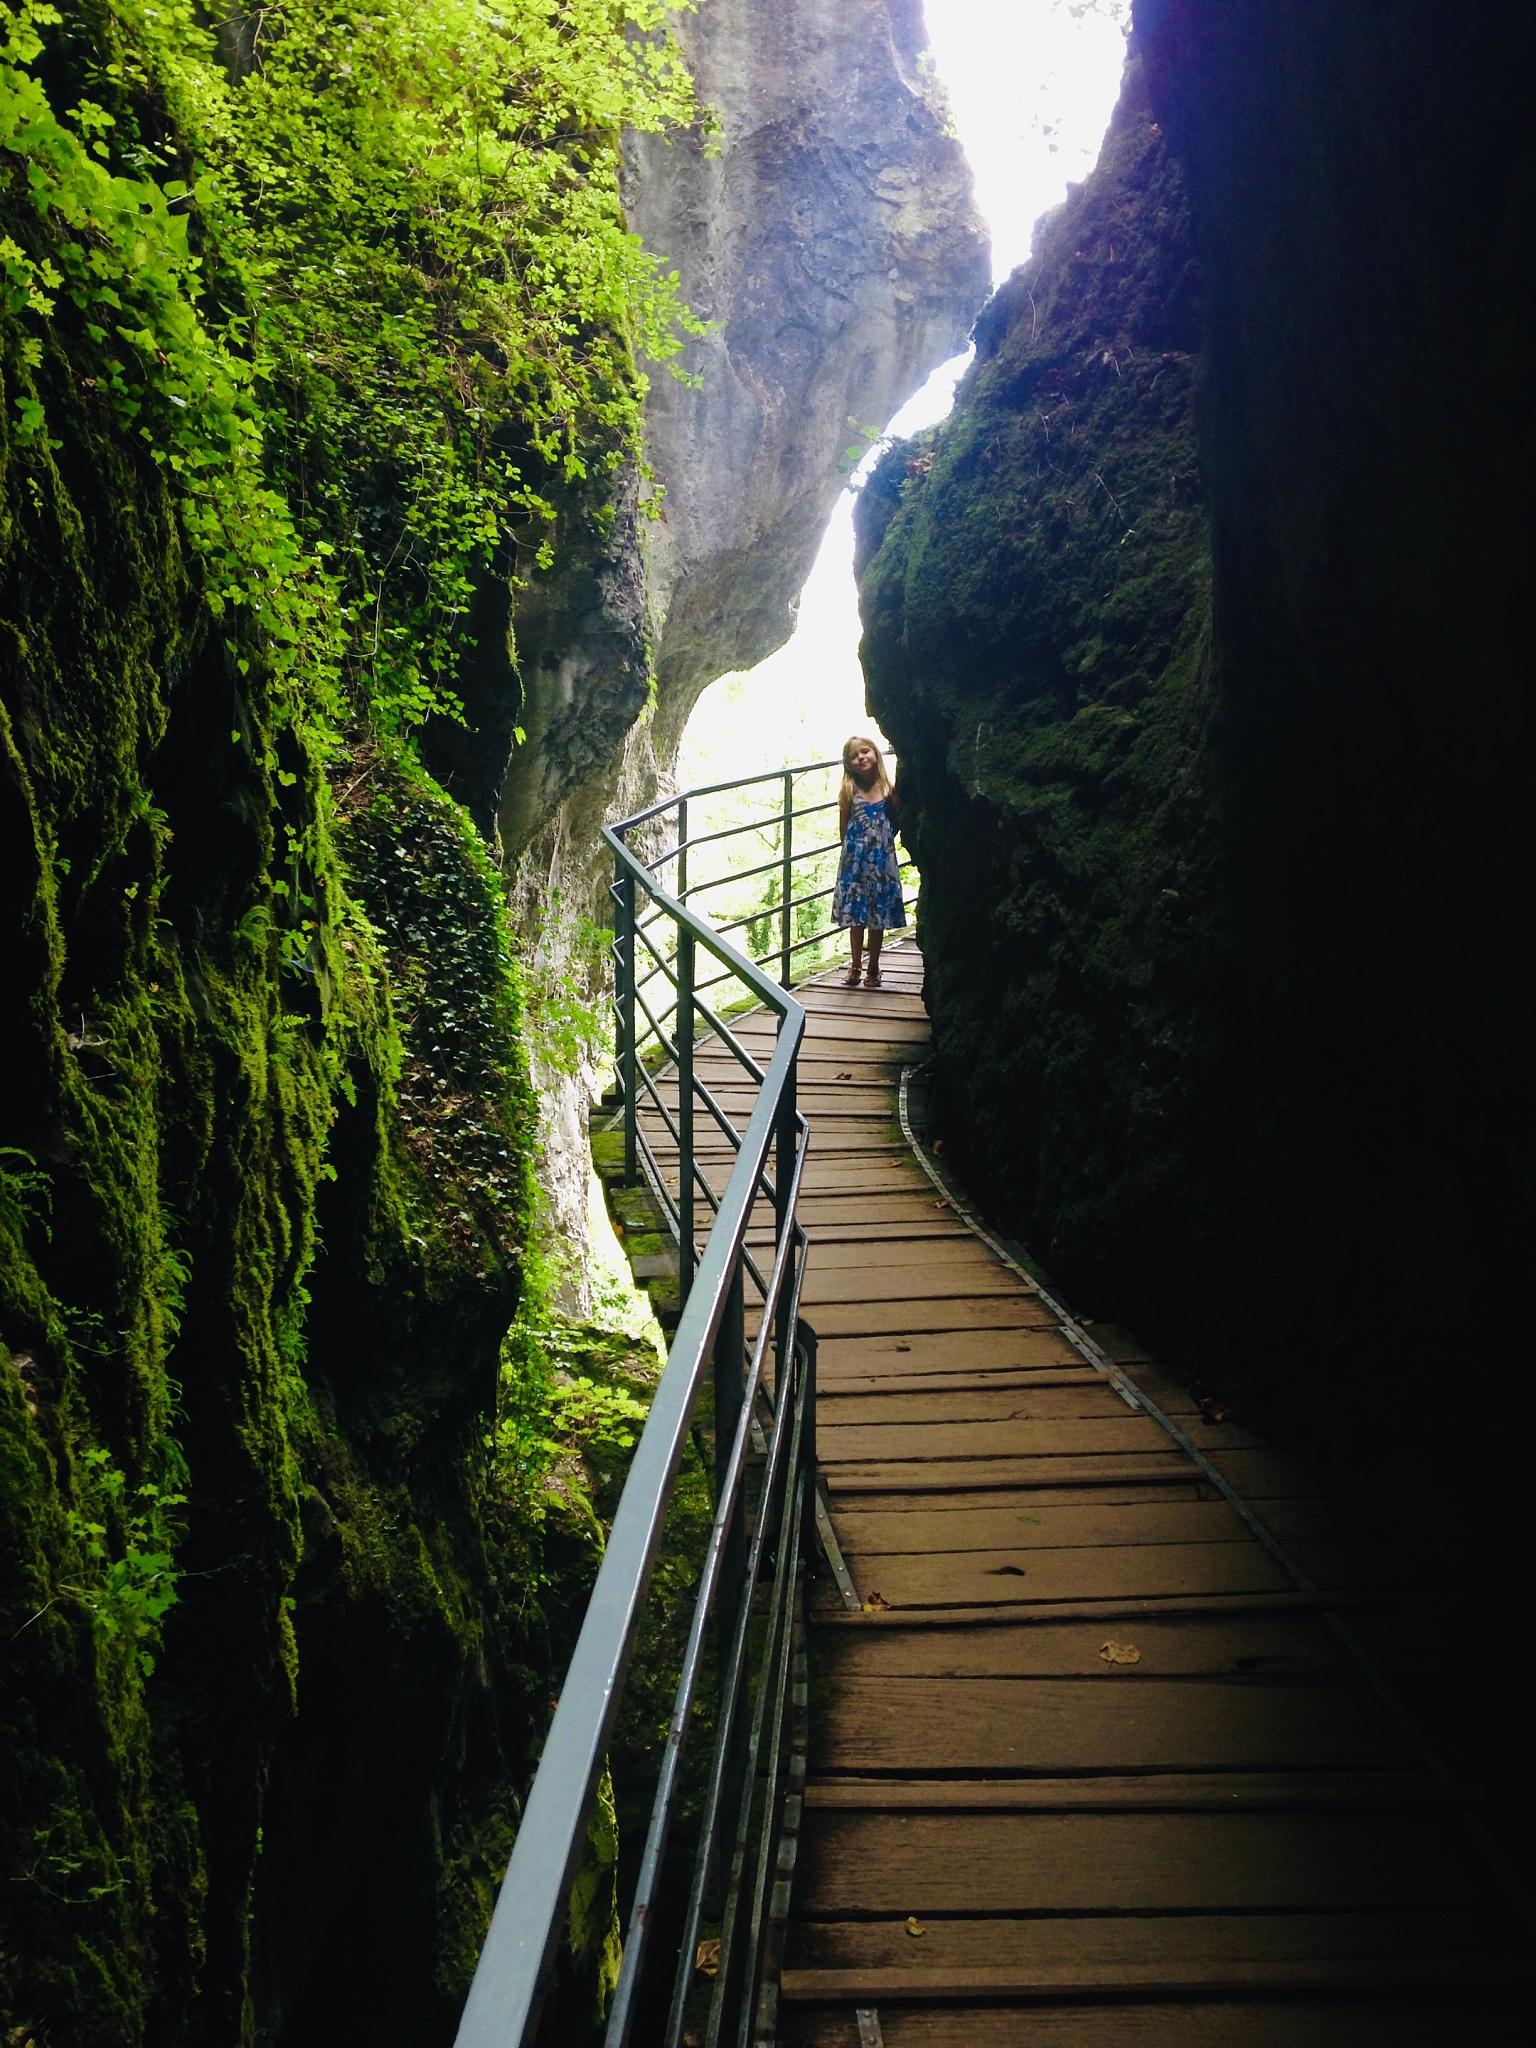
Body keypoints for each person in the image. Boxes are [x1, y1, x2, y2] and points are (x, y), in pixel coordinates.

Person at [832, 734, 905, 987]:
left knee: (878, 916)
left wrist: (882, 845)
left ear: (875, 753)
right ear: (848, 764)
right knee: (857, 916)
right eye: (854, 755)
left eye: (865, 751)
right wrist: (849, 856)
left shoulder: (888, 789)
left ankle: (874, 967)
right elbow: (844, 826)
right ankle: (855, 965)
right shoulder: (849, 790)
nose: (861, 757)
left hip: (881, 860)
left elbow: (895, 821)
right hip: (856, 862)